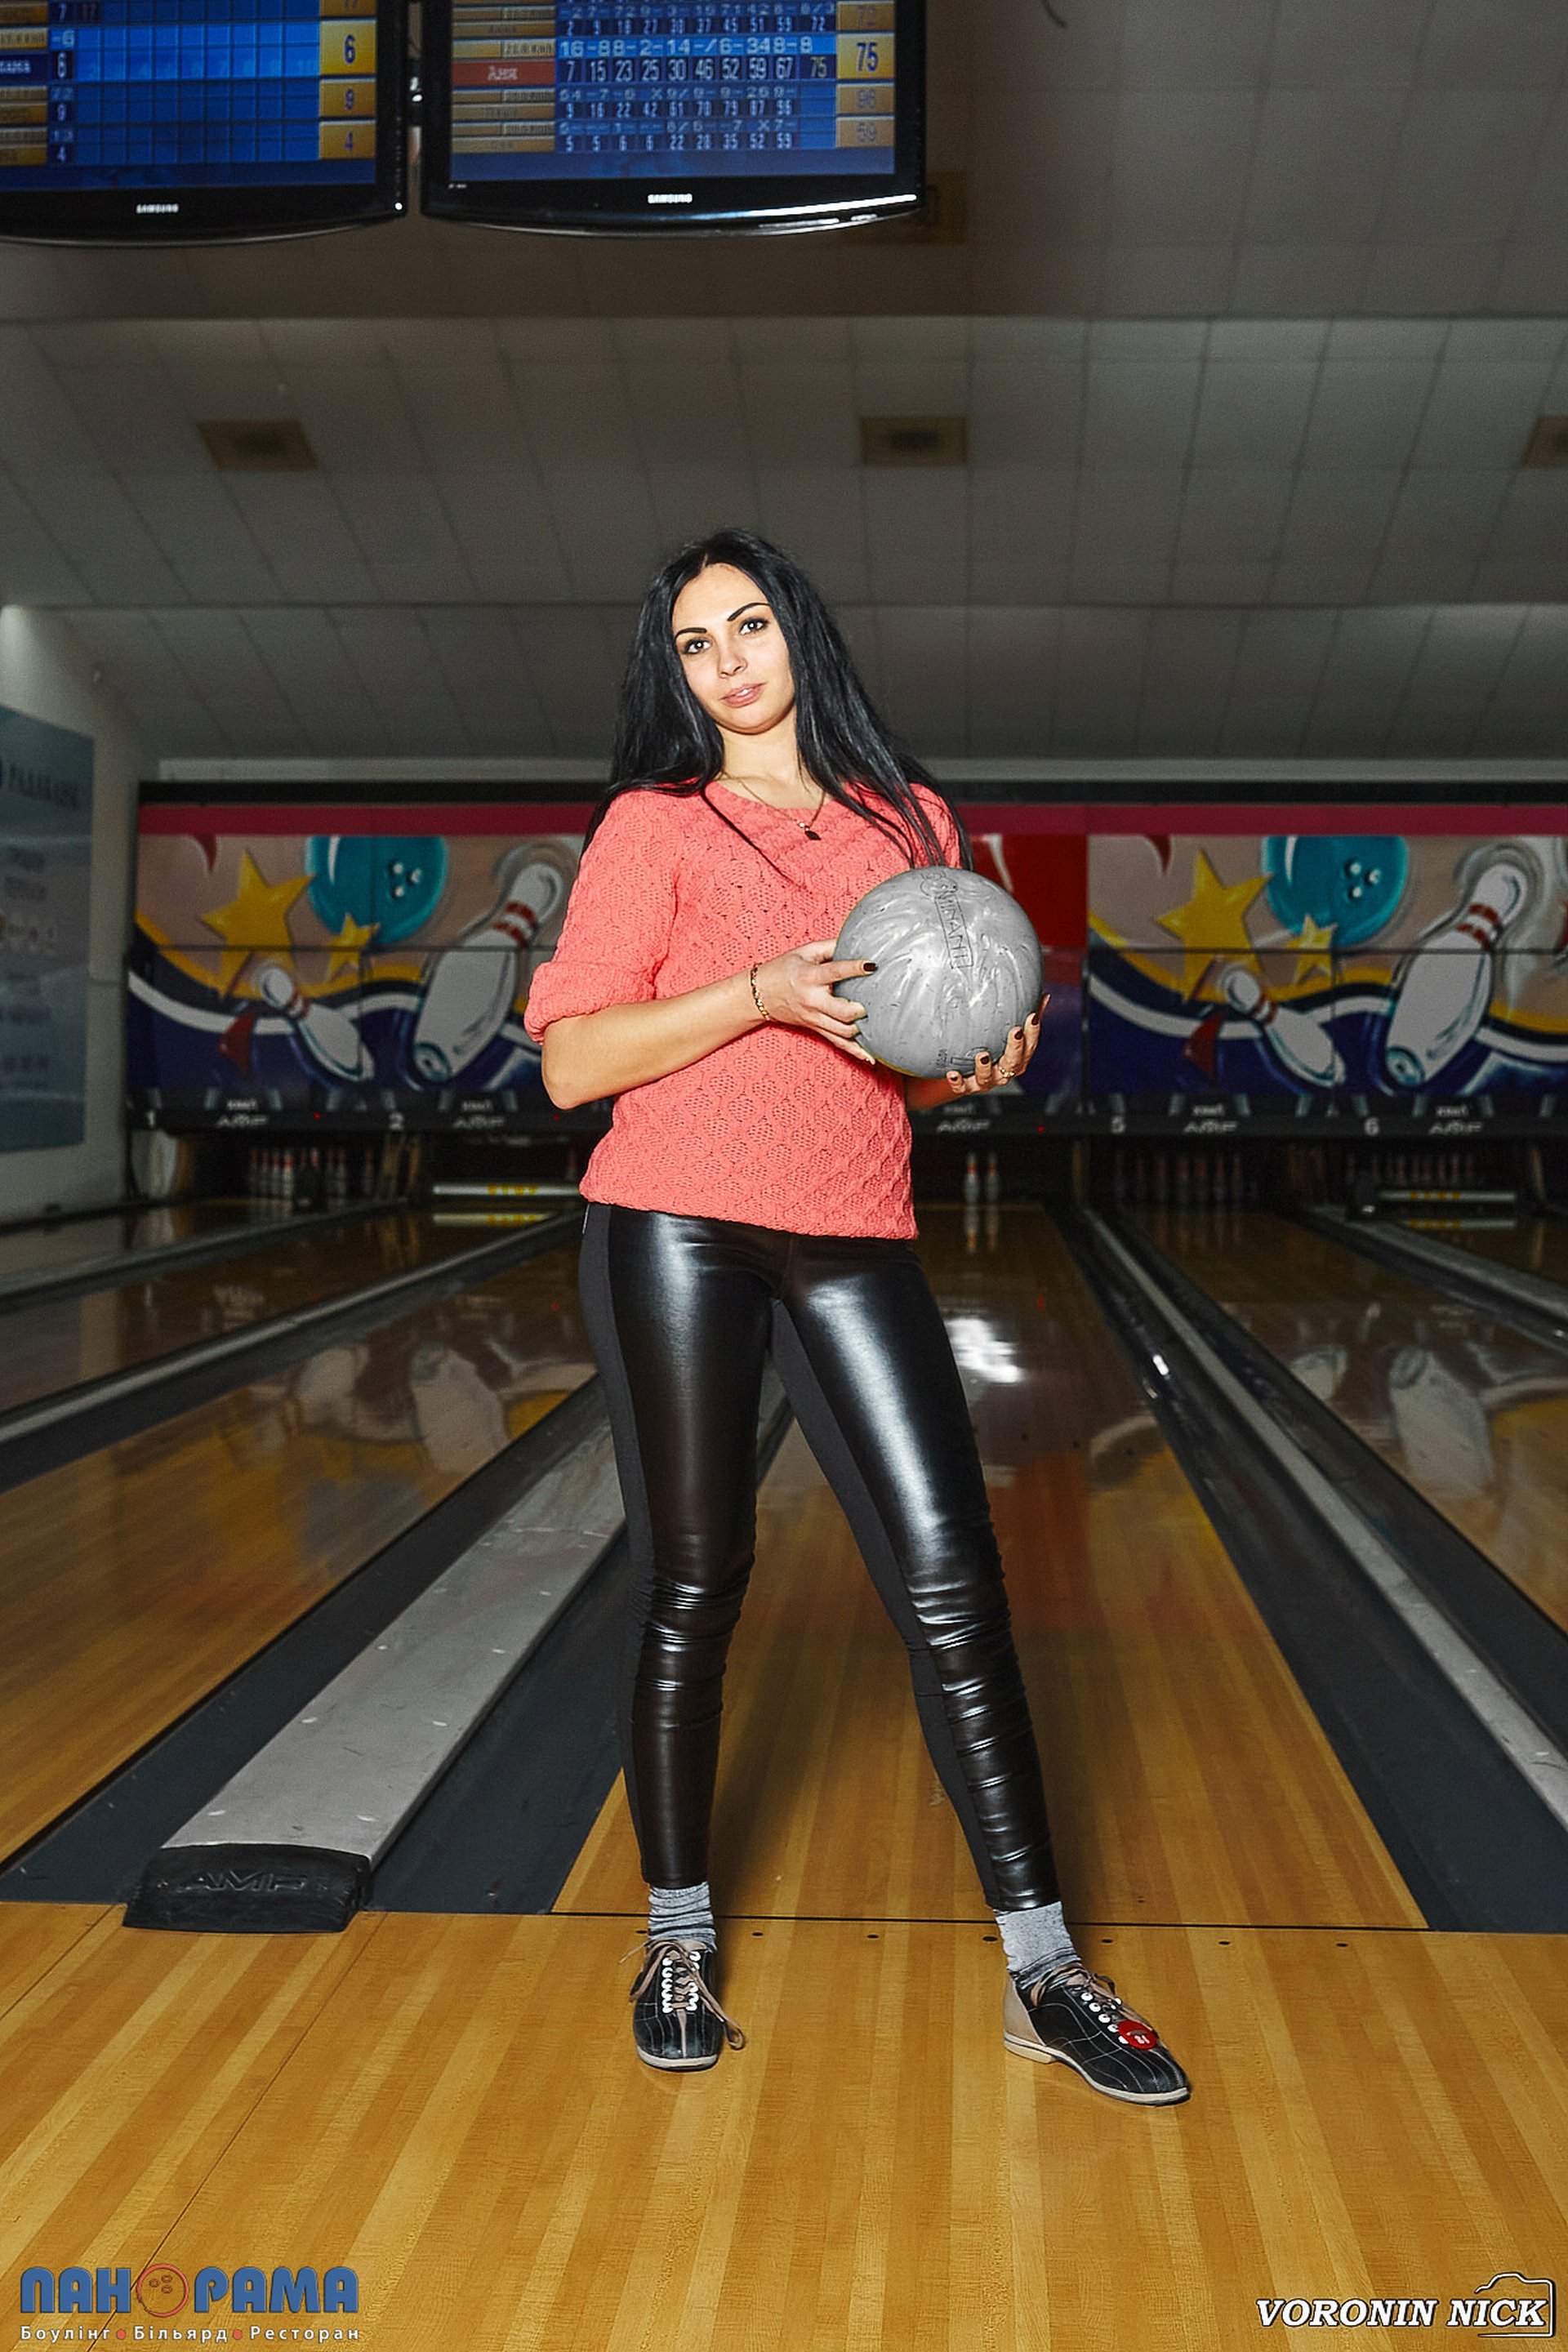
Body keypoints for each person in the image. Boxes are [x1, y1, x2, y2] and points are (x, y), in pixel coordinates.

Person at [523, 528, 1189, 2106]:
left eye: (749, 625)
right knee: (694, 1585)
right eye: (696, 645)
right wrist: (754, 991)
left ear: (798, 631)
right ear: (676, 675)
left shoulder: (912, 822)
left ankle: (1046, 1969)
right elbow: (572, 1063)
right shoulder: (652, 826)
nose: (729, 663)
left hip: (854, 1231)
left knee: (957, 1589)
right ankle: (675, 1937)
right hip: (673, 1223)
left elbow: (899, 1063)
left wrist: (973, 1066)